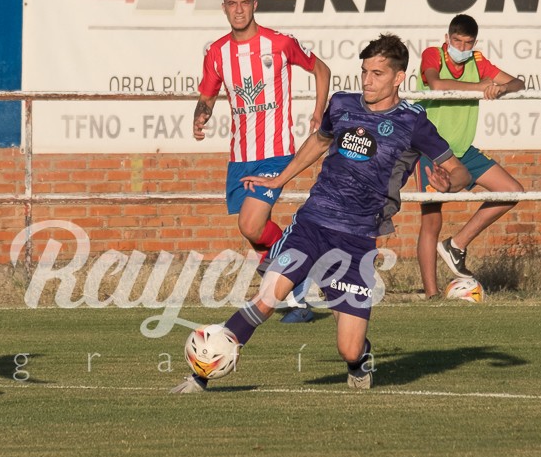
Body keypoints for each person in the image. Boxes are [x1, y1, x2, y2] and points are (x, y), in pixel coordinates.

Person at [171, 34, 471, 394]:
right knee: (267, 297)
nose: (368, 81)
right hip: (312, 223)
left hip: (357, 238)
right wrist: (278, 179)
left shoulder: (413, 121)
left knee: (348, 348)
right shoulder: (342, 104)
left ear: (398, 77)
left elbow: (460, 172)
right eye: (364, 72)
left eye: (377, 73)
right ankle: (200, 376)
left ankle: (361, 360)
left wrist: (449, 183)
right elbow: (319, 141)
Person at [192, 0, 331, 323]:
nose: (238, 10)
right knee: (257, 234)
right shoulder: (217, 53)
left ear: (254, 5)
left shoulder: (279, 43)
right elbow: (206, 97)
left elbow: (322, 70)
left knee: (251, 225)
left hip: (275, 153)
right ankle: (296, 296)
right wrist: (201, 115)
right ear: (224, 8)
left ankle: (302, 267)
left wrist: (318, 112)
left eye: (244, 3)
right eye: (231, 4)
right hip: (239, 157)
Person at [416, 14, 525, 297]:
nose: (462, 48)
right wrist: (481, 87)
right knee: (431, 220)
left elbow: (518, 83)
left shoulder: (478, 61)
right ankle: (431, 295)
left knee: (511, 191)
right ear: (447, 39)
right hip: (433, 149)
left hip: (464, 150)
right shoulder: (433, 55)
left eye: (468, 43)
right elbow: (436, 85)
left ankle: (457, 244)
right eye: (457, 41)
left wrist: (500, 87)